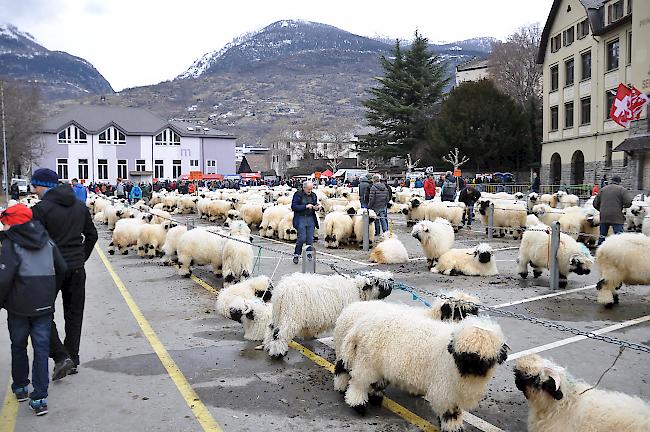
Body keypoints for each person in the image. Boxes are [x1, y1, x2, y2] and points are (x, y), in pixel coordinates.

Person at [29, 168, 98, 381]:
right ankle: (73, 359)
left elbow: (34, 241)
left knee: (40, 313)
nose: (33, 190)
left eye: (35, 186)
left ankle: (61, 355)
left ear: (43, 186)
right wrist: (80, 257)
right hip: (77, 268)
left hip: (49, 270)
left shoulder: (40, 210)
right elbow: (92, 235)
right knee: (74, 313)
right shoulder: (79, 206)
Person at [0, 204, 67, 416]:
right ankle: (40, 399)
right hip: (44, 306)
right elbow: (62, 268)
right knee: (40, 349)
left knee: (18, 345)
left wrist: (3, 301)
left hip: (18, 307)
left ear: (14, 222)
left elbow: (4, 278)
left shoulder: (11, 244)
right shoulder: (47, 240)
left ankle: (20, 387)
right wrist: (49, 291)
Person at [593, 175, 633, 245]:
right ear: (619, 182)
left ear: (611, 181)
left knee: (602, 236)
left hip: (604, 216)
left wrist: (602, 210)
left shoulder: (603, 189)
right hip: (617, 216)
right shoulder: (622, 190)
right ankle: (618, 249)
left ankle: (600, 250)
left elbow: (595, 204)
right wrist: (624, 206)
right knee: (619, 237)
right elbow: (629, 202)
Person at [291, 181, 320, 264]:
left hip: (311, 218)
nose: (310, 191)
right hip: (301, 218)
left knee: (310, 239)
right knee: (302, 238)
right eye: (308, 189)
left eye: (311, 189)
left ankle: (309, 255)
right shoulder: (298, 194)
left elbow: (315, 204)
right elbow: (294, 206)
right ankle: (297, 254)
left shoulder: (313, 195)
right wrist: (305, 206)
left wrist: (316, 207)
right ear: (304, 188)